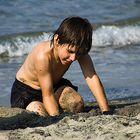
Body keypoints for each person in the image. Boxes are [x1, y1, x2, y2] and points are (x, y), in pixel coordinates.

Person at [10, 16, 110, 117]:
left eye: (78, 53)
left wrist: (106, 111)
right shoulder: (43, 56)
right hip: (26, 92)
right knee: (40, 113)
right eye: (70, 51)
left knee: (76, 103)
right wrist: (55, 118)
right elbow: (47, 94)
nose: (73, 58)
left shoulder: (78, 50)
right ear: (57, 40)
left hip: (54, 86)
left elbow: (92, 78)